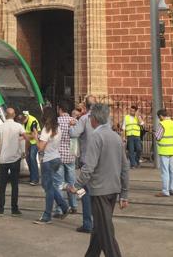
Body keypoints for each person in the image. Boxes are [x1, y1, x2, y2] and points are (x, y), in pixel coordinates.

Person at [68, 103, 130, 257]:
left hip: (99, 191)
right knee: (99, 228)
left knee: (106, 232)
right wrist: (124, 193)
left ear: (93, 118)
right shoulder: (116, 137)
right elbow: (125, 167)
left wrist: (76, 185)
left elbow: (88, 167)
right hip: (113, 190)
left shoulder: (96, 137)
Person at [33, 107, 70, 224]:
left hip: (48, 160)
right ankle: (64, 206)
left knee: (48, 188)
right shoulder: (57, 128)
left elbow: (40, 147)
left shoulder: (46, 129)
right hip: (56, 158)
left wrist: (35, 137)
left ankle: (47, 216)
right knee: (48, 185)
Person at [70, 94, 97, 233]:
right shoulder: (104, 120)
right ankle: (100, 223)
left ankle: (88, 224)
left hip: (87, 160)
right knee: (99, 193)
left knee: (86, 193)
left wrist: (73, 122)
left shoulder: (85, 118)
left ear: (85, 107)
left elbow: (74, 134)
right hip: (102, 161)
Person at [0, 108, 28, 217]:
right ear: (14, 115)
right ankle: (14, 209)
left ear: (5, 115)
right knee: (15, 185)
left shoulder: (0, 127)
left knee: (2, 186)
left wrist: (1, 154)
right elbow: (26, 138)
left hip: (3, 160)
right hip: (15, 159)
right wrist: (24, 152)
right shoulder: (18, 126)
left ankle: (0, 210)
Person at [53, 100, 78, 216]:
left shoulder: (56, 122)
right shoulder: (74, 121)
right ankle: (74, 206)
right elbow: (75, 138)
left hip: (58, 156)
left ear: (59, 109)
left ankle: (60, 209)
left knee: (59, 183)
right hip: (71, 155)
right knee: (71, 181)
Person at [154, 109, 173, 197]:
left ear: (161, 116)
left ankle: (165, 191)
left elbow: (157, 137)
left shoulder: (162, 124)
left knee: (165, 171)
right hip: (172, 150)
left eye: (159, 117)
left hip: (164, 150)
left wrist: (155, 134)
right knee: (172, 170)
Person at [22, 111, 41, 186]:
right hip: (29, 141)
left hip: (36, 141)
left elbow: (34, 135)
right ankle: (32, 176)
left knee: (32, 158)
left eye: (23, 119)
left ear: (26, 116)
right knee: (28, 158)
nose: (22, 121)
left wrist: (23, 137)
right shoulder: (24, 122)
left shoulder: (32, 121)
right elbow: (27, 136)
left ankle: (35, 179)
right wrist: (26, 150)